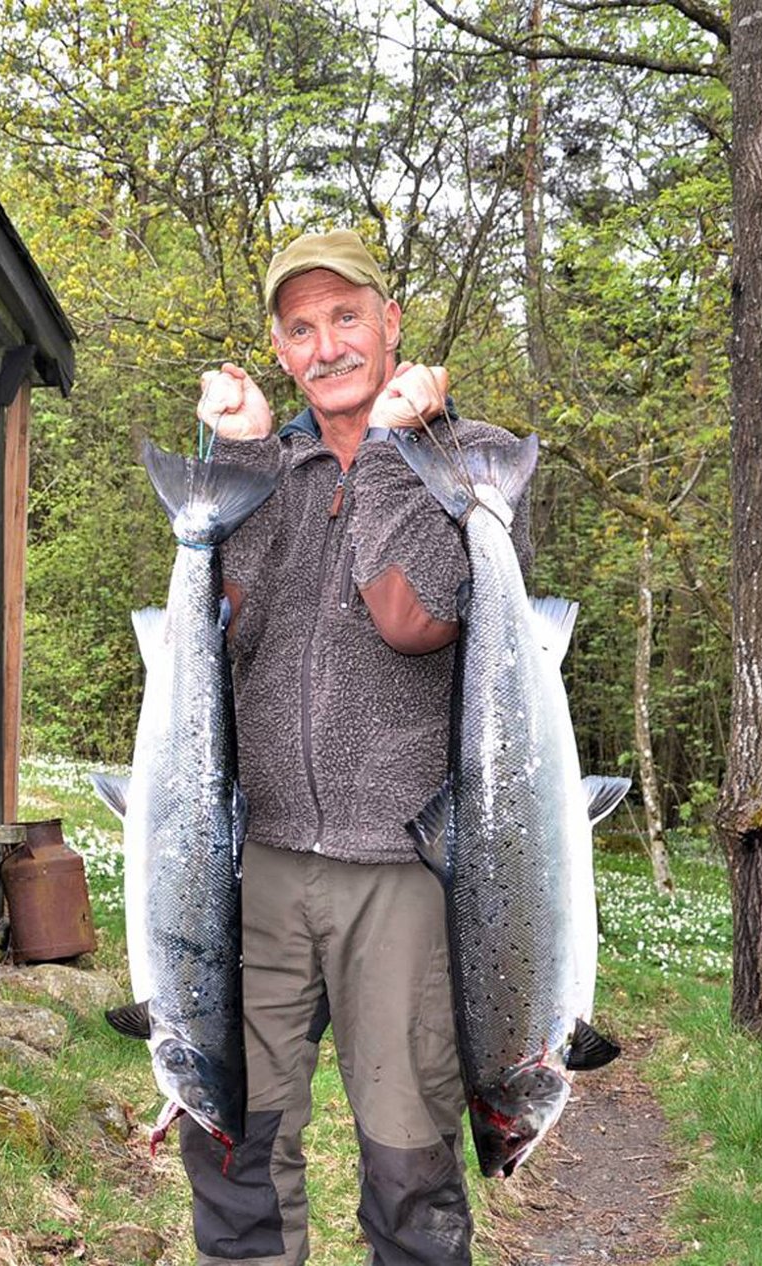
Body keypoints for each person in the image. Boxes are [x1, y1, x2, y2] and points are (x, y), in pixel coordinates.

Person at [179, 229, 533, 1266]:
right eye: (301, 328)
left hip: (409, 874)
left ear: (391, 325)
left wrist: (386, 450)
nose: (326, 344)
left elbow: (412, 615)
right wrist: (240, 462)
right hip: (259, 868)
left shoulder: (471, 464)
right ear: (279, 350)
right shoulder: (267, 467)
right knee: (232, 1134)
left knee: (410, 1157)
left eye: (346, 318)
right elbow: (226, 630)